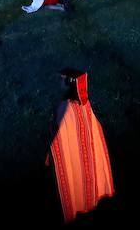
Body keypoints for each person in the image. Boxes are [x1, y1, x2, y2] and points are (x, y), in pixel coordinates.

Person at [48, 71, 114, 223]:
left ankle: (77, 203)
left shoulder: (64, 109)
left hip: (72, 158)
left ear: (69, 85)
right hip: (81, 155)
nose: (58, 83)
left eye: (61, 81)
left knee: (75, 178)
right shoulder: (86, 105)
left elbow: (58, 139)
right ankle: (90, 198)